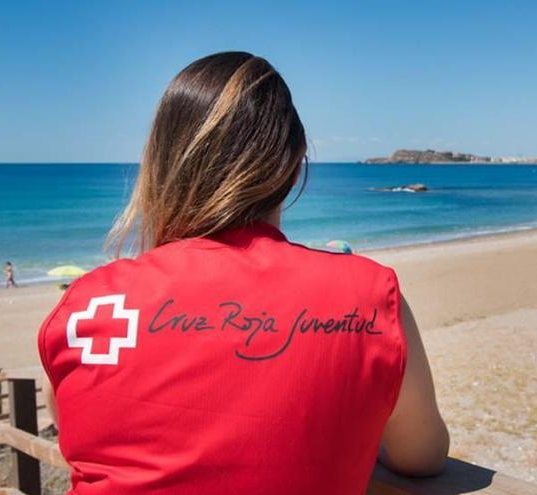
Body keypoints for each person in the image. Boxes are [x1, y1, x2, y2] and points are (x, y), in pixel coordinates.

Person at [38, 52, 449, 495]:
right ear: (294, 167)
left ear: (160, 165)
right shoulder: (367, 296)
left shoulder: (87, 304)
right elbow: (421, 455)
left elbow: (74, 429)